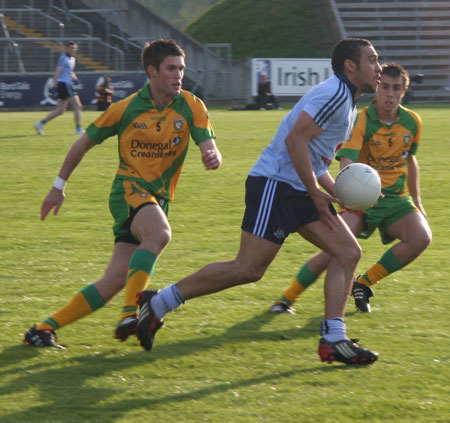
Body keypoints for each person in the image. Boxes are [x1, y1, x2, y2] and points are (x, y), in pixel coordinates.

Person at [136, 38, 382, 365]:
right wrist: (315, 194)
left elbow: (316, 158)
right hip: (276, 185)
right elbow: (294, 140)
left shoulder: (347, 100)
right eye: (372, 60)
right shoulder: (335, 95)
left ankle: (333, 340)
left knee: (348, 252)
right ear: (351, 66)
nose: (378, 68)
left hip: (297, 187)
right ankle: (158, 303)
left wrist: (337, 192)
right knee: (248, 269)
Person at [24, 38, 222, 349]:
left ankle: (43, 329)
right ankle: (131, 312)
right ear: (151, 71)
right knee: (159, 234)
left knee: (114, 280)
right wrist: (58, 187)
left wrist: (213, 155)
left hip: (157, 200)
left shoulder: (192, 106)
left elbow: (209, 146)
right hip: (129, 191)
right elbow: (82, 143)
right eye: (172, 68)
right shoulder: (126, 108)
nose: (179, 75)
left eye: (181, 69)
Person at [270, 62, 432, 315]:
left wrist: (418, 201)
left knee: (421, 238)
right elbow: (347, 160)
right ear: (377, 89)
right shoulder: (361, 119)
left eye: (396, 89)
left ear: (404, 91)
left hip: (395, 200)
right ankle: (286, 299)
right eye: (385, 87)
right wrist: (349, 194)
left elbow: (410, 160)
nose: (390, 94)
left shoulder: (413, 122)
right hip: (362, 200)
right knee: (334, 250)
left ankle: (364, 283)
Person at [34, 40, 84, 135]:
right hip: (63, 84)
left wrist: (75, 78)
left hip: (66, 84)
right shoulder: (63, 58)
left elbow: (70, 71)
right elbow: (57, 72)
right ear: (66, 48)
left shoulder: (72, 59)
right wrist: (54, 86)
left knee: (60, 110)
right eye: (71, 48)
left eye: (75, 48)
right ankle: (78, 129)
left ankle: (40, 124)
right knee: (78, 106)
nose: (73, 50)